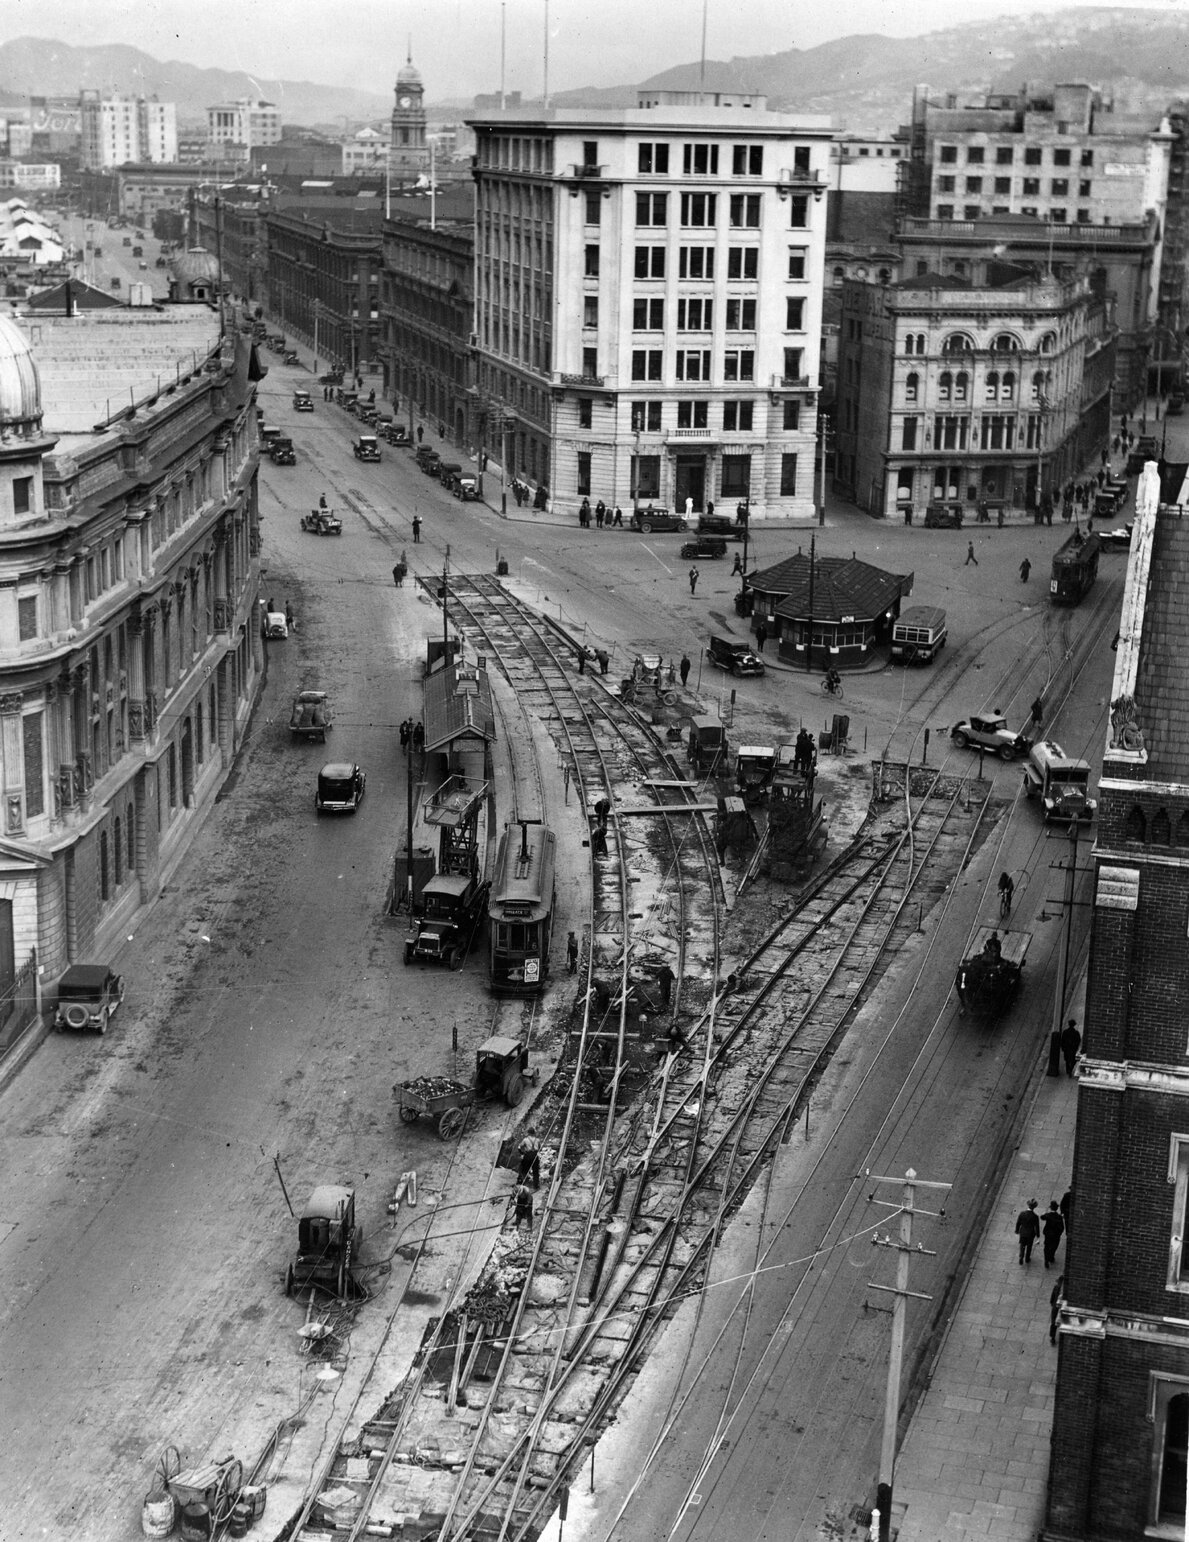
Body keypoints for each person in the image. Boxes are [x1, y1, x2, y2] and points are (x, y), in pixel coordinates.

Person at [1015, 1198, 1040, 1265]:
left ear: (1028, 1206)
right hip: (1030, 1234)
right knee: (1029, 1246)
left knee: (1022, 1244)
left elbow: (1018, 1223)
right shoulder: (1035, 1217)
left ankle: (1021, 1256)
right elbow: (1037, 1227)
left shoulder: (1022, 1214)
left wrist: (1017, 1230)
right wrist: (1038, 1236)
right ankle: (1027, 1258)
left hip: (1023, 1232)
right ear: (1034, 1207)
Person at [1042, 1200, 1066, 1268]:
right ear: (1057, 1208)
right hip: (1055, 1235)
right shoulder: (1059, 1217)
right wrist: (1059, 1234)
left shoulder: (1048, 1215)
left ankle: (1046, 1259)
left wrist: (1044, 1213)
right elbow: (1062, 1227)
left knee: (1046, 1246)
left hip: (1048, 1234)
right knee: (1054, 1246)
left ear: (1051, 1208)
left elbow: (1042, 1217)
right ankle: (1051, 1256)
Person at [1049, 1275, 1064, 1345]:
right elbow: (1052, 1297)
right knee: (1054, 1322)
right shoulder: (1057, 1288)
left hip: (1058, 1308)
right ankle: (1053, 1337)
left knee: (1055, 1322)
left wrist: (1052, 1303)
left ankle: (1053, 1337)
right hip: (1057, 1308)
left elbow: (1052, 1298)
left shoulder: (1057, 1288)